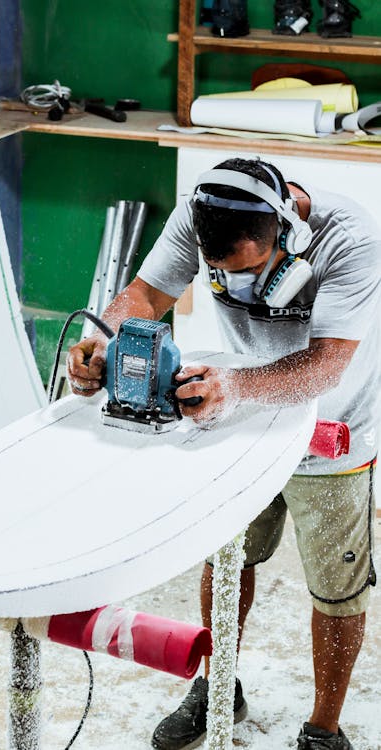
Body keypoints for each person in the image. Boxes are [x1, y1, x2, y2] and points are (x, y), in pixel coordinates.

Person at [67, 158, 380, 750]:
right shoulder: (199, 214)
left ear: (287, 230)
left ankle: (324, 728)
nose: (236, 288)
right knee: (228, 560)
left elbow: (326, 365)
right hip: (237, 426)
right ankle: (217, 687)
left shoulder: (352, 240)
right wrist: (103, 345)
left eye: (250, 270)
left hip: (333, 430)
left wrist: (233, 388)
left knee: (337, 588)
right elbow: (144, 294)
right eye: (220, 273)